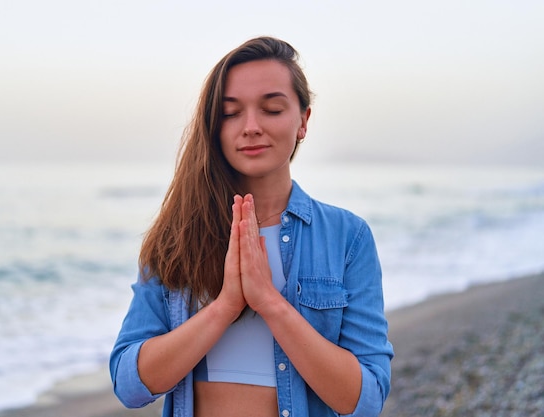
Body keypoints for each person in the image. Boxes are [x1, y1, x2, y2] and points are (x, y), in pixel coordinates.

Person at [110, 36, 393, 417]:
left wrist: (270, 303)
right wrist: (225, 306)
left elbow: (365, 399)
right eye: (231, 113)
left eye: (272, 109)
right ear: (214, 126)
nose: (251, 127)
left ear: (303, 121)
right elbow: (129, 385)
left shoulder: (347, 237)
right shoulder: (177, 237)